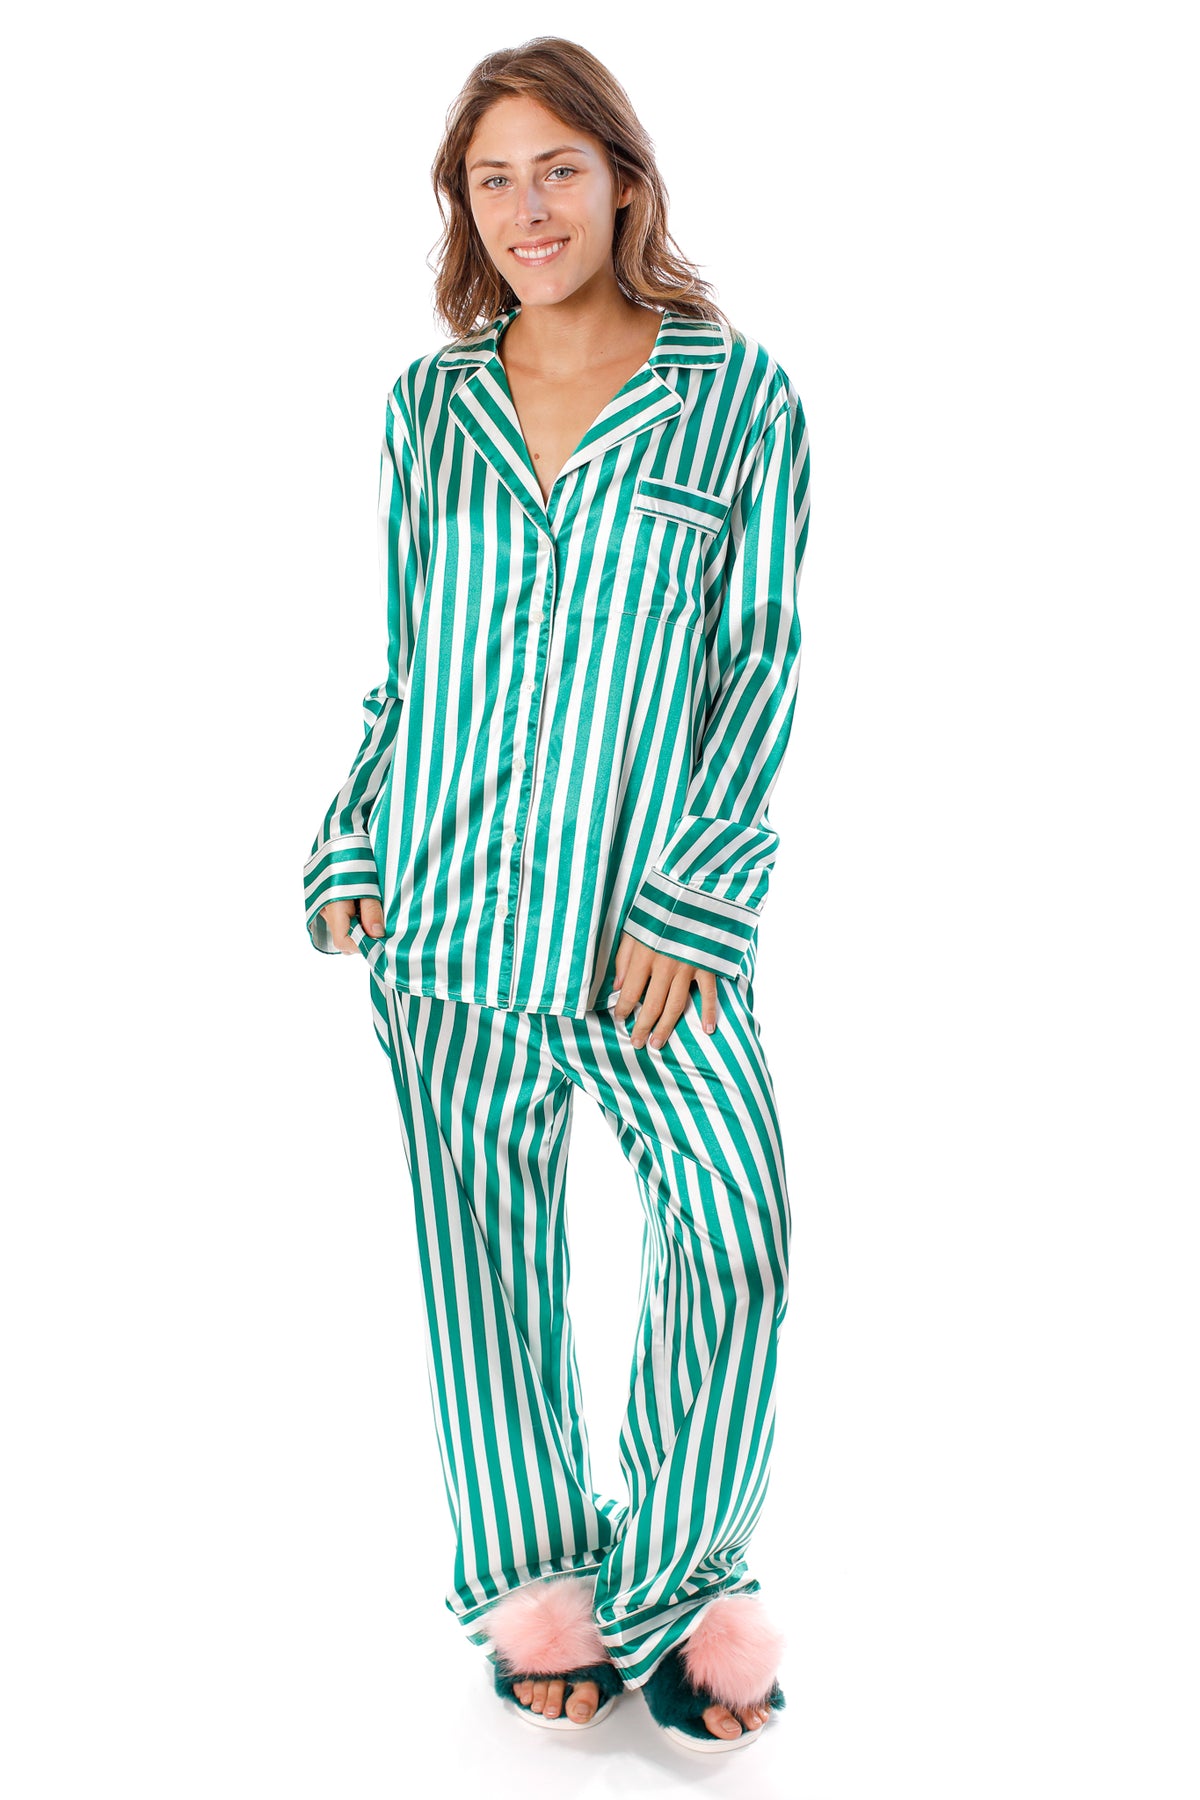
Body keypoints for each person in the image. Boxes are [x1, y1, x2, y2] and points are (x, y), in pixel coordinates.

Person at [301, 36, 811, 1756]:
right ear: (466, 204)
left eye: (559, 171)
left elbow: (756, 667)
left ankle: (683, 1577)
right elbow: (409, 657)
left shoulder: (737, 398)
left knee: (733, 1234)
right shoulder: (427, 408)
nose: (529, 210)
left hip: (648, 938)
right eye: (494, 180)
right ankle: (534, 1585)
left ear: (623, 181)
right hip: (443, 918)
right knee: (484, 1270)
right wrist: (354, 845)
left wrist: (695, 899)